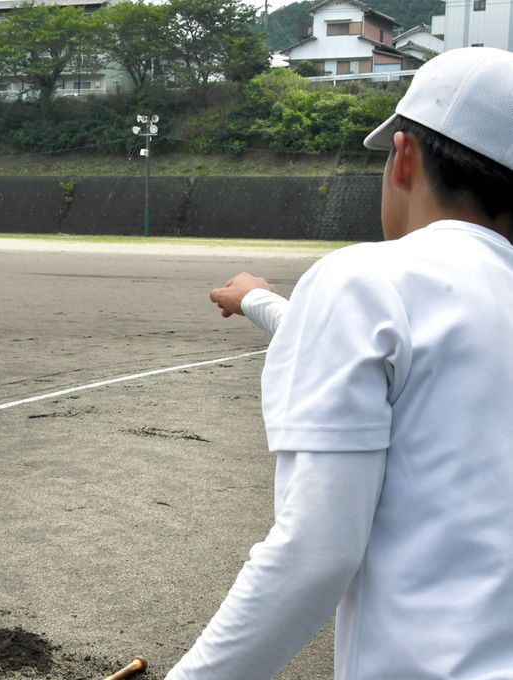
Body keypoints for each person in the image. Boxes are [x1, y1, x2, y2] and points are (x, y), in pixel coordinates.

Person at [167, 46, 513, 679]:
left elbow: (315, 554)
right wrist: (261, 301)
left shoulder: (366, 279)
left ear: (404, 157)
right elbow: (409, 342)